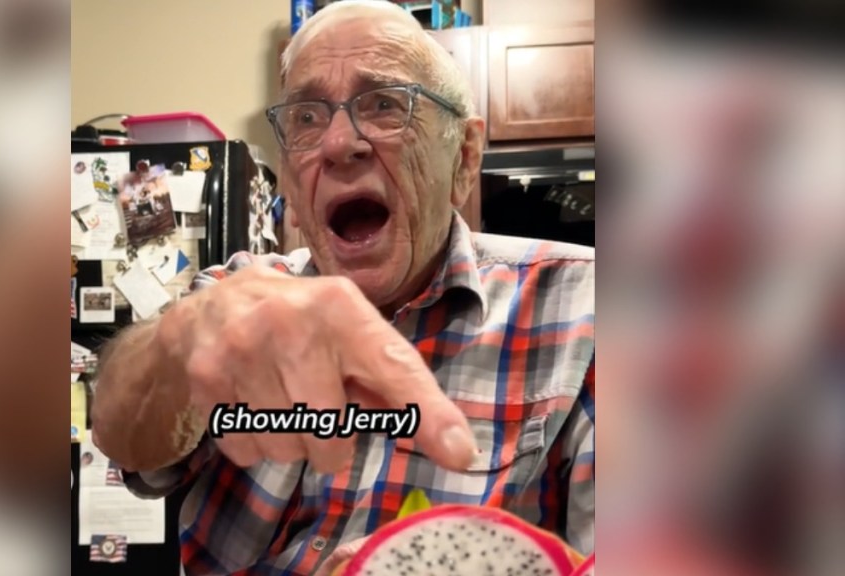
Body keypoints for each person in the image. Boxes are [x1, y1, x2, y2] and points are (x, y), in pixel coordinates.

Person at [91, 1, 595, 574]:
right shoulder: (237, 295)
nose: (337, 143)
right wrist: (172, 351)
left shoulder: (587, 308)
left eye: (384, 104)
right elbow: (117, 433)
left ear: (464, 159)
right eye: (306, 117)